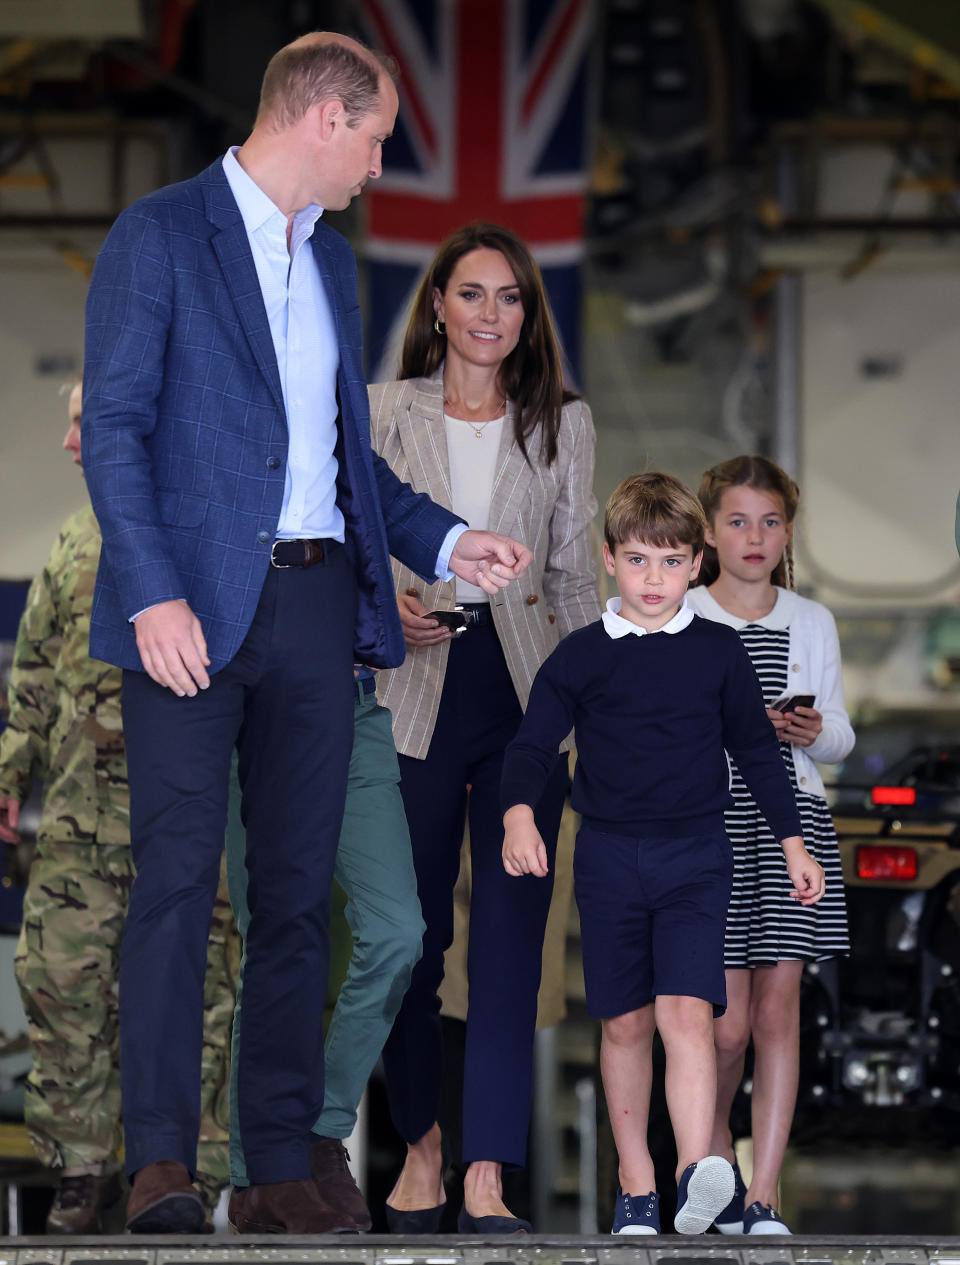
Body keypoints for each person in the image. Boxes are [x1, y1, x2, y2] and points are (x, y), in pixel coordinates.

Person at [81, 32, 533, 1236]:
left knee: (293, 898)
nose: (380, 165)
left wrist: (445, 542)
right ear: (324, 117)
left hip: (318, 609)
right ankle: (162, 1166)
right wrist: (152, 591)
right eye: (378, 136)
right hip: (185, 612)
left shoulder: (330, 267)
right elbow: (117, 430)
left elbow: (347, 464)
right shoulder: (161, 235)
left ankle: (280, 1156)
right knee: (178, 887)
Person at [499, 472, 826, 1237]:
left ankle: (692, 1174)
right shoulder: (579, 656)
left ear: (696, 565)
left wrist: (793, 845)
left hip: (697, 857)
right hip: (608, 857)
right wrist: (519, 815)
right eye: (640, 560)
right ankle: (636, 1188)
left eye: (673, 562)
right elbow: (532, 745)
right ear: (609, 558)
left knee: (689, 1012)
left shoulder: (718, 651)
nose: (655, 578)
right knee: (624, 1024)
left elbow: (755, 749)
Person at [370, 222, 600, 1234]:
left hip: (525, 699)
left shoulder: (563, 422)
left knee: (509, 944)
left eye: (510, 298)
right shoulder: (381, 412)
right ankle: (420, 1139)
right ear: (437, 305)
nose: (491, 315)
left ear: (527, 316)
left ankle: (486, 1170)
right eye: (473, 294)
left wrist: (602, 712)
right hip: (410, 690)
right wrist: (389, 608)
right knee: (408, 937)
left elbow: (577, 578)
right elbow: (346, 540)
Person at [0, 383, 237, 1234]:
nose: (69, 444)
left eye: (78, 424)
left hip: (186, 818)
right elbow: (31, 676)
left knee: (202, 997)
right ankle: (80, 1171)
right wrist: (7, 775)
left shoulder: (207, 529)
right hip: (75, 822)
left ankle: (186, 1173)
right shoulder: (70, 540)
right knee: (60, 987)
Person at [687, 455, 852, 1236]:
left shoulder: (811, 620)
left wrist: (815, 732)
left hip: (794, 824)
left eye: (771, 520)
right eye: (738, 520)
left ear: (789, 530)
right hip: (712, 823)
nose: (755, 537)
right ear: (709, 531)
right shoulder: (683, 612)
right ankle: (712, 1165)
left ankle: (765, 1192)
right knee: (724, 1019)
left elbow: (842, 734)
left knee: (778, 1011)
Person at [223, 662, 425, 1232]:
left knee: (398, 932)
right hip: (257, 711)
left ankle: (320, 1132)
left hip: (355, 706)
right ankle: (252, 1176)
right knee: (268, 946)